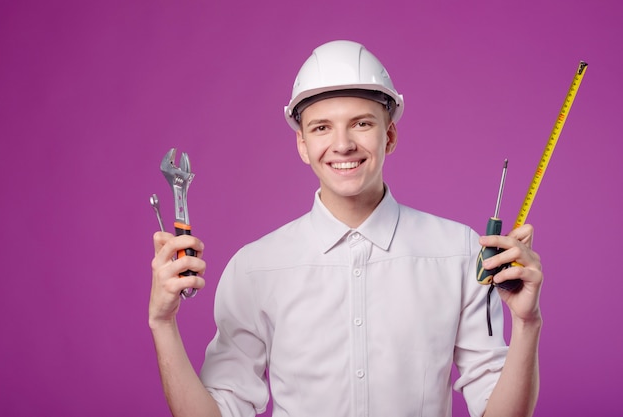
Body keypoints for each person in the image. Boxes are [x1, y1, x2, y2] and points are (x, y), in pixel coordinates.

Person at [149, 40, 543, 417]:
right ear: (302, 145)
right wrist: (163, 324)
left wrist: (527, 323)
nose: (342, 144)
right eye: (321, 128)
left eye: (360, 123)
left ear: (388, 135)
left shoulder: (459, 253)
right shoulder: (254, 268)